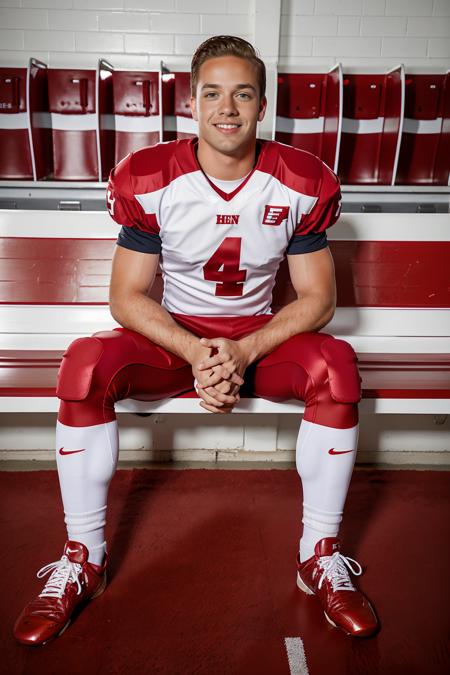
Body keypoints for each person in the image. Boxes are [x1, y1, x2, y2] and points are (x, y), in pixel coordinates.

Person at [14, 35, 378, 646]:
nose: (227, 107)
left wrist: (242, 351)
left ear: (263, 105)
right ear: (192, 102)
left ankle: (320, 556)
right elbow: (126, 297)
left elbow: (318, 299)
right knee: (83, 366)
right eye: (213, 92)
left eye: (242, 93)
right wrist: (198, 352)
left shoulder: (300, 180)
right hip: (175, 341)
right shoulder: (151, 177)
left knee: (337, 365)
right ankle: (84, 559)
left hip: (257, 343)